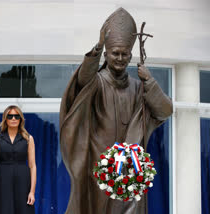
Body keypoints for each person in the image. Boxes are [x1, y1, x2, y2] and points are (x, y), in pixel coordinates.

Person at [59, 7, 173, 214]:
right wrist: (97, 48)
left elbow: (165, 111)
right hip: (99, 165)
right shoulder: (97, 82)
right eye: (115, 53)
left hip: (131, 166)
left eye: (124, 54)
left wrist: (150, 81)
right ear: (107, 54)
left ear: (131, 56)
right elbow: (82, 81)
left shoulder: (139, 87)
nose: (120, 58)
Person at [0, 105, 36, 214]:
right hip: (2, 182)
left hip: (23, 181)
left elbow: (32, 166)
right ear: (5, 119)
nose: (13, 119)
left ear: (20, 119)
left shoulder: (28, 139)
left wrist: (32, 192)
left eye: (16, 116)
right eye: (10, 116)